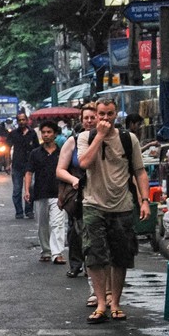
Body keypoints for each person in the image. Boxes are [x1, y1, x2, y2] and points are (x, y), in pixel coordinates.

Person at [77, 98, 150, 324]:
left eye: (110, 114)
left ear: (116, 114)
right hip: (93, 204)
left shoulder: (129, 139)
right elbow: (84, 163)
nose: (105, 118)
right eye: (101, 114)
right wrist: (99, 136)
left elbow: (140, 171)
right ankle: (101, 303)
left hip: (122, 205)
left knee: (121, 256)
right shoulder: (85, 137)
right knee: (95, 256)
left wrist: (145, 200)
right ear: (95, 115)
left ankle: (115, 303)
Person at [56, 103, 97, 279]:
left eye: (92, 117)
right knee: (76, 230)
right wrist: (74, 180)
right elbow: (60, 170)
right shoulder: (72, 141)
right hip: (78, 195)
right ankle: (76, 264)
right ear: (81, 120)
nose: (89, 121)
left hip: (101, 193)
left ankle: (94, 266)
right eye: (86, 118)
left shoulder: (106, 139)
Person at [24, 121, 66, 264]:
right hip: (40, 193)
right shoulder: (35, 153)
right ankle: (46, 251)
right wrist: (27, 190)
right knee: (42, 225)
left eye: (49, 132)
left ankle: (57, 253)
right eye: (44, 132)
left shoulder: (62, 153)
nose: (46, 135)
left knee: (57, 223)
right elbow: (29, 172)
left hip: (58, 194)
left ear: (55, 134)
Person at [7, 111, 39, 218]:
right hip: (17, 165)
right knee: (17, 190)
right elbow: (7, 149)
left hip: (30, 165)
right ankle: (19, 212)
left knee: (30, 188)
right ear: (17, 121)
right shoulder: (13, 134)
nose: (21, 122)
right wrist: (8, 163)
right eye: (19, 120)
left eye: (23, 119)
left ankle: (29, 210)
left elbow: (37, 149)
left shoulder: (32, 133)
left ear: (27, 120)